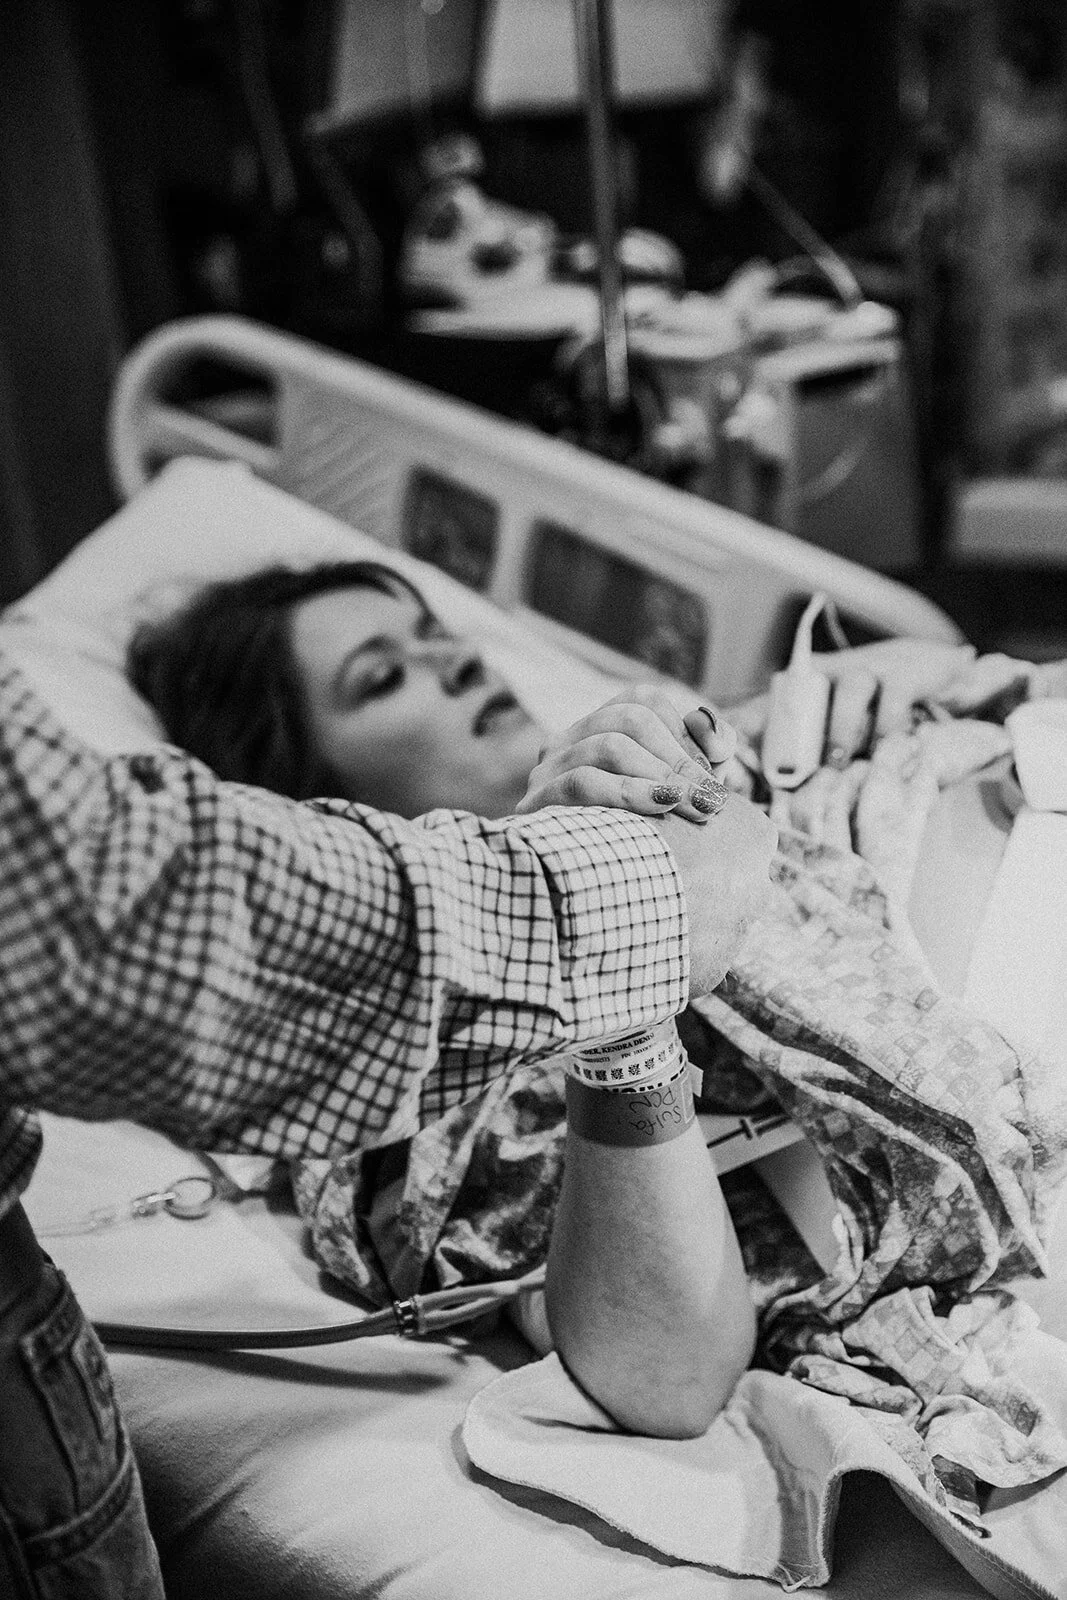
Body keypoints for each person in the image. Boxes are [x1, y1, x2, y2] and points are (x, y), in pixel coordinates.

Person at [1, 623, 775, 1597]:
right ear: (311, 808)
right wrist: (625, 1016)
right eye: (380, 677)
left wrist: (889, 687)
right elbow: (667, 1373)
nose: (456, 661)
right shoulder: (418, 1084)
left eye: (435, 633)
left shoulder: (728, 790)